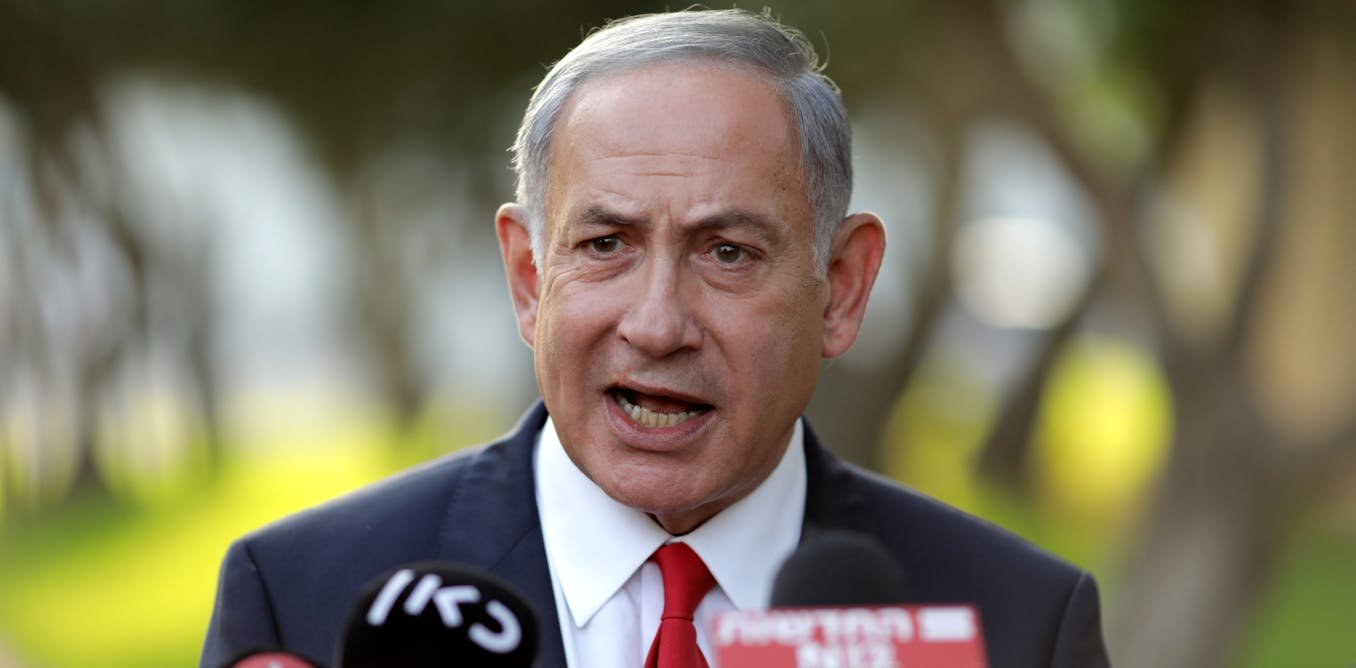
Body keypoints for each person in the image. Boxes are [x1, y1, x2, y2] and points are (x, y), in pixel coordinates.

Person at [201, 9, 1110, 668]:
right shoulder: (299, 599)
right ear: (529, 278)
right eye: (606, 245)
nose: (657, 324)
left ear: (840, 287)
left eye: (727, 252)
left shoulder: (1017, 624)